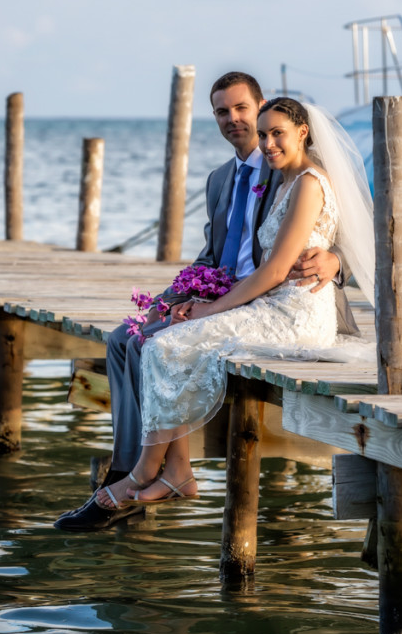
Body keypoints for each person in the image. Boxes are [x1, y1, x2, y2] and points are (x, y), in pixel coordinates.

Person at [54, 74, 356, 531]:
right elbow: (212, 257)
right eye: (222, 112)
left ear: (262, 109)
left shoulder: (288, 171)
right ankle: (130, 464)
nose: (235, 121)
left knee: (153, 345)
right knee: (126, 338)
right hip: (230, 294)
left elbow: (343, 233)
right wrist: (174, 297)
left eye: (243, 110)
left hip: (277, 303)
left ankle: (140, 478)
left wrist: (336, 262)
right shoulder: (220, 180)